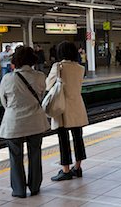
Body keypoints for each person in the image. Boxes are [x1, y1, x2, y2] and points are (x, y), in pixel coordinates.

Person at [0, 46, 49, 198]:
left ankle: (19, 191)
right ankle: (35, 187)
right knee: (35, 155)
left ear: (15, 61)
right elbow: (41, 96)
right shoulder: (40, 76)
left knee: (15, 157)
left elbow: (3, 101)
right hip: (35, 122)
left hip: (14, 124)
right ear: (33, 59)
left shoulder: (8, 78)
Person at [47, 41, 89, 181]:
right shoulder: (80, 68)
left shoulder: (58, 67)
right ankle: (77, 168)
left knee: (63, 139)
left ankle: (65, 171)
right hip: (77, 105)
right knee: (78, 138)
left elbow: (48, 85)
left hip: (62, 107)